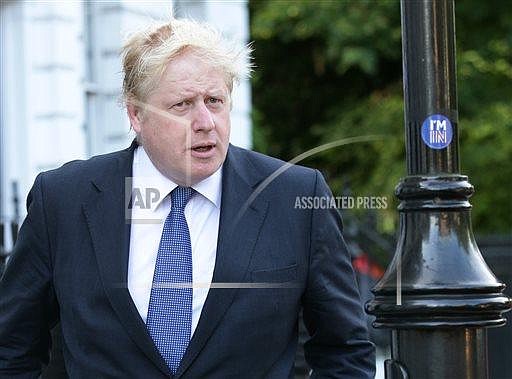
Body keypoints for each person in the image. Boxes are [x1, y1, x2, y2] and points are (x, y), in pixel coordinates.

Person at [0, 18, 375, 378]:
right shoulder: (64, 200)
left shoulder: (293, 196)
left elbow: (345, 351)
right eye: (182, 105)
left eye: (215, 100)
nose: (205, 122)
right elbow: (12, 350)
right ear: (135, 114)